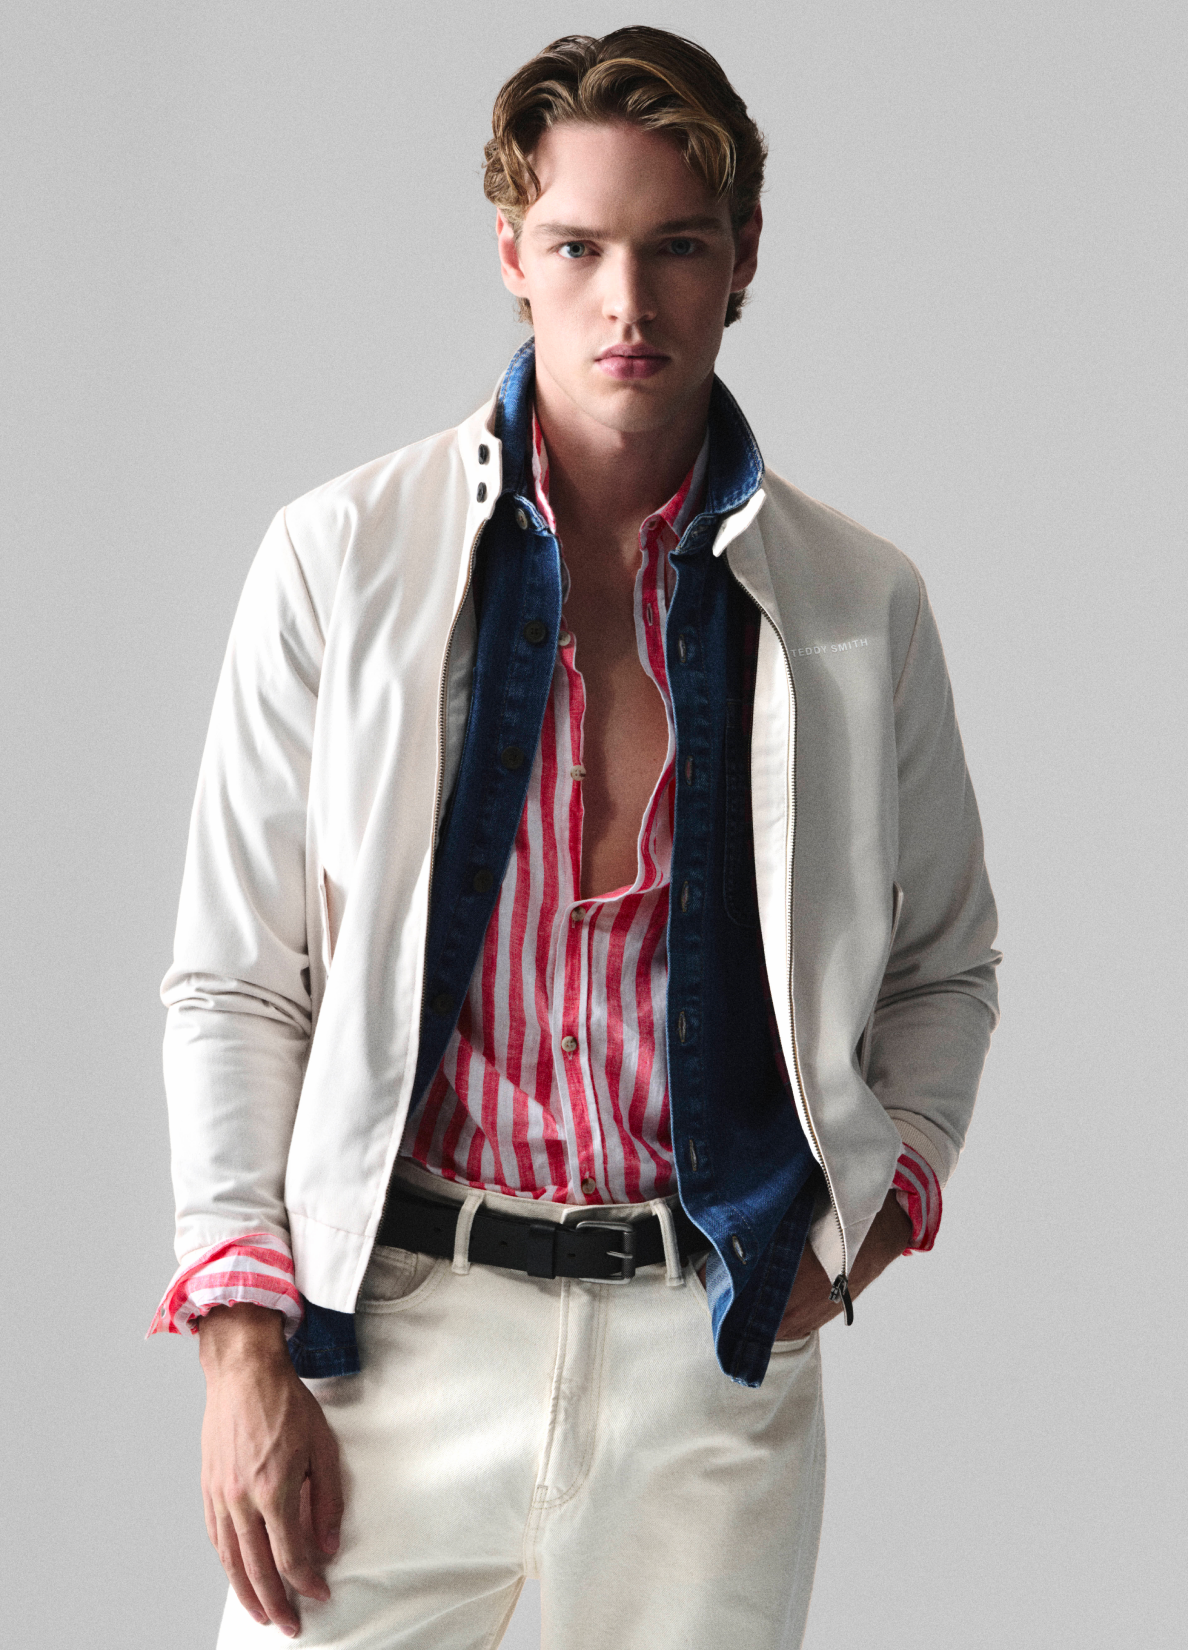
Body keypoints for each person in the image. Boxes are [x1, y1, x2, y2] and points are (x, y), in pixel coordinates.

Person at [151, 26, 1000, 1649]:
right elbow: (235, 978)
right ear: (510, 253)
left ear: (743, 254)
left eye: (676, 246)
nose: (629, 302)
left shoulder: (856, 603)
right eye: (578, 247)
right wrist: (243, 1349)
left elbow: (947, 961)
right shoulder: (341, 559)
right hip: (394, 1331)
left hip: (704, 1354)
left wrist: (862, 1232)